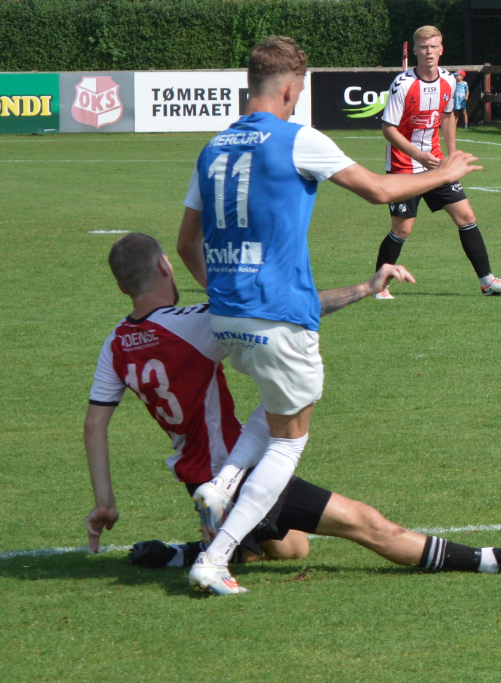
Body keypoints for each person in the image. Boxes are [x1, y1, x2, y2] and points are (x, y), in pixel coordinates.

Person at [175, 35, 485, 595]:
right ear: (292, 88)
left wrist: (224, 291)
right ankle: (215, 557)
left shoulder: (214, 147)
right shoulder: (298, 139)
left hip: (228, 319)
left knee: (272, 409)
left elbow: (185, 242)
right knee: (288, 441)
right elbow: (380, 190)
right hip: (280, 319)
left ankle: (221, 485)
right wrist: (446, 171)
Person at [85, 234, 501, 586]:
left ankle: (183, 552)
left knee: (293, 547)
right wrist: (365, 287)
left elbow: (95, 422)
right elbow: (295, 312)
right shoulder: (197, 321)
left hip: (193, 472)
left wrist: (105, 502)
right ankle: (494, 560)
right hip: (234, 469)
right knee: (369, 524)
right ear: (167, 267)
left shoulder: (115, 343)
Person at [372, 25, 501, 300]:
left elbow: (448, 117)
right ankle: (378, 286)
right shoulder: (403, 84)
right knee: (402, 229)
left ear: (441, 49)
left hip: (436, 164)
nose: (429, 52)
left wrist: (451, 156)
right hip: (404, 166)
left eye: (434, 46)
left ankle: (488, 282)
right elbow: (388, 129)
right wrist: (417, 155)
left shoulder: (449, 81)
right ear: (415, 50)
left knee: (466, 216)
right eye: (424, 47)